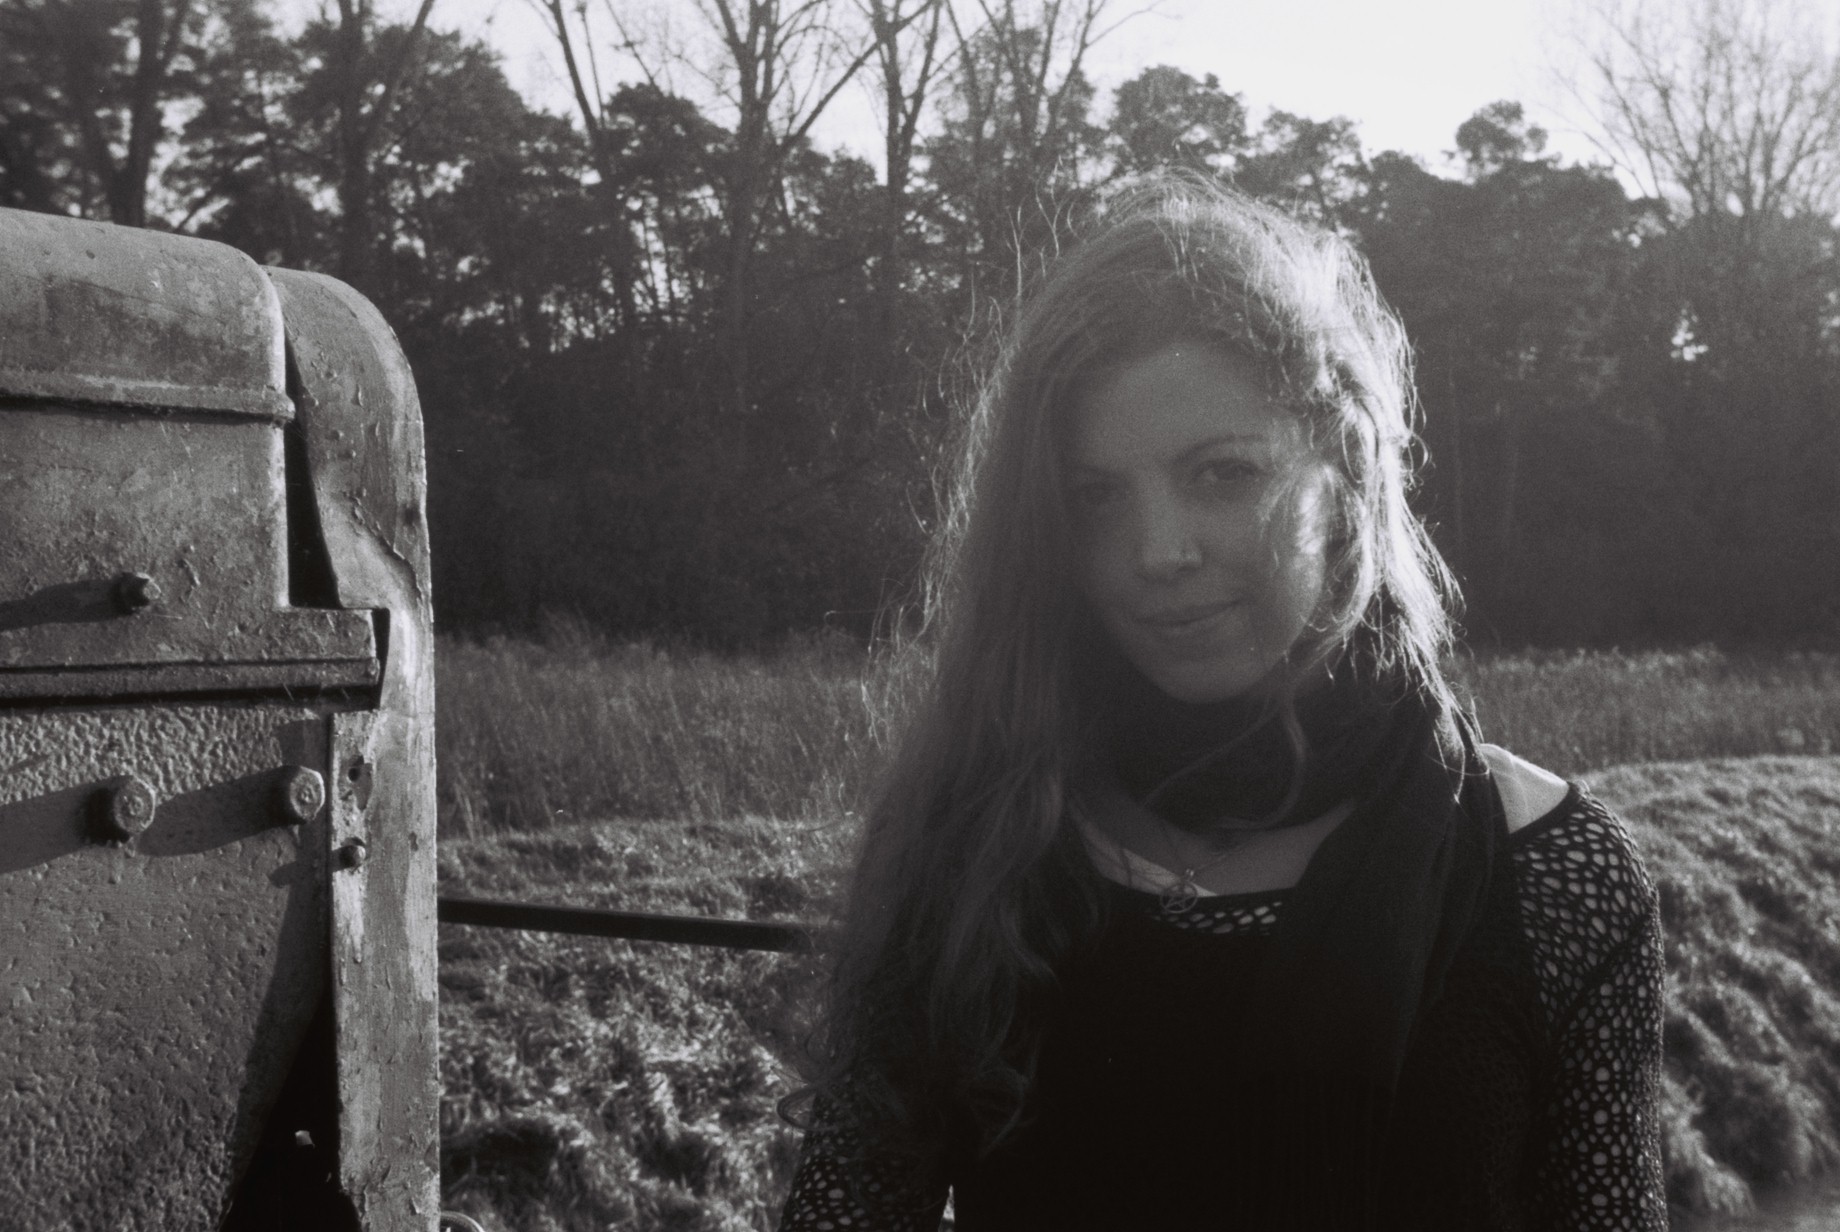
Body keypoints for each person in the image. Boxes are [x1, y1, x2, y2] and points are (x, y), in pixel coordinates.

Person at [778, 177, 1667, 1231]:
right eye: (1095, 496)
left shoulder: (1549, 872)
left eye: (1222, 474)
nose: (1158, 551)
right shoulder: (972, 837)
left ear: (1346, 469)